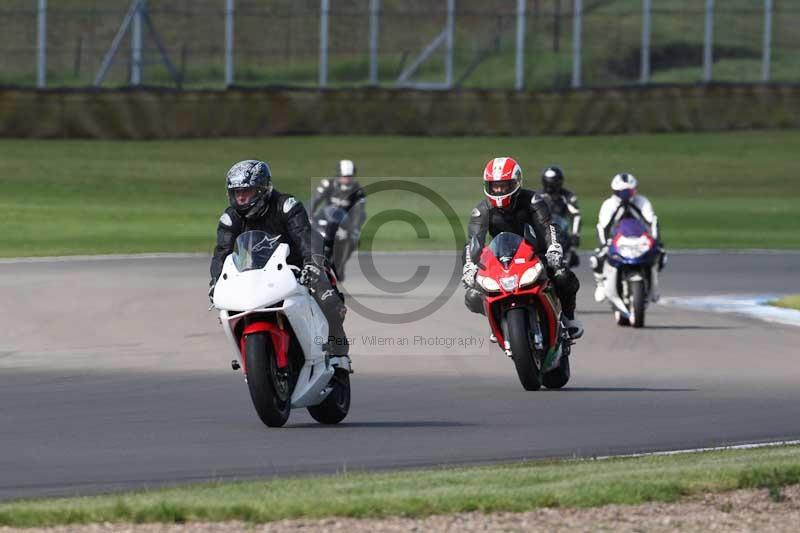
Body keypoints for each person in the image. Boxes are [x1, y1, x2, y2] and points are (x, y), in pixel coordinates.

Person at [209, 159, 349, 356]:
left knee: (327, 299)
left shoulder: (286, 206)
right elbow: (221, 253)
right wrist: (216, 281)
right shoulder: (231, 218)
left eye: (246, 192)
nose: (240, 198)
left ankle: (337, 352)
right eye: (236, 192)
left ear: (262, 189)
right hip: (256, 274)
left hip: (297, 268)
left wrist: (311, 263)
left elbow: (305, 237)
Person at [462, 157, 583, 340]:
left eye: (504, 185)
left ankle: (568, 317)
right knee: (472, 296)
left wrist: (554, 248)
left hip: (536, 255)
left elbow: (548, 225)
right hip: (501, 260)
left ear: (517, 182)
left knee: (564, 277)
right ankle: (499, 319)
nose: (499, 190)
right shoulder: (482, 210)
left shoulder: (533, 200)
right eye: (495, 186)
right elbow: (473, 242)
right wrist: (470, 265)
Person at [590, 172, 666, 302]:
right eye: (621, 193)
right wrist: (604, 244)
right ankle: (601, 283)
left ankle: (653, 284)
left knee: (660, 255)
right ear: (614, 192)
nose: (625, 196)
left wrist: (656, 240)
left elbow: (652, 221)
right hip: (615, 238)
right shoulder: (609, 205)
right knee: (598, 257)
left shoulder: (642, 201)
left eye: (628, 192)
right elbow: (603, 227)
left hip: (637, 237)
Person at [308, 159, 367, 280]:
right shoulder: (328, 184)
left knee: (353, 241)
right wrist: (309, 216)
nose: (346, 179)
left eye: (349, 176)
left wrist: (355, 229)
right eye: (344, 176)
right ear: (338, 175)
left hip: (345, 223)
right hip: (325, 219)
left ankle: (339, 265)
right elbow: (314, 201)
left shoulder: (358, 191)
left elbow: (359, 212)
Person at [538, 165, 582, 267]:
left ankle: (566, 262)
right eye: (549, 182)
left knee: (572, 257)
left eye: (553, 182)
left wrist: (575, 234)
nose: (551, 186)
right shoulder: (537, 196)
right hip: (541, 231)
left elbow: (575, 215)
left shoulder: (567, 196)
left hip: (561, 233)